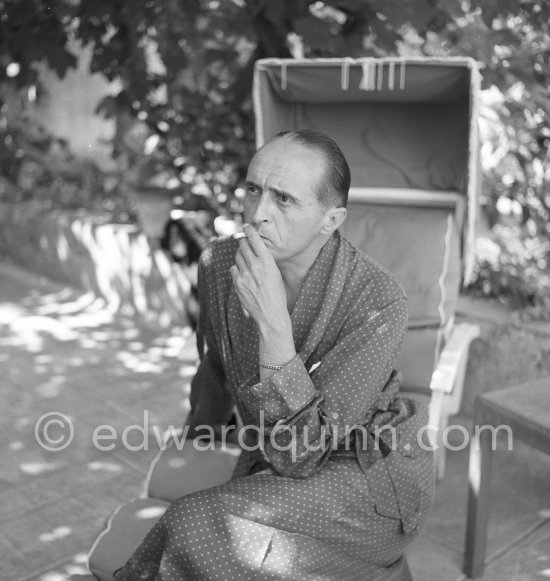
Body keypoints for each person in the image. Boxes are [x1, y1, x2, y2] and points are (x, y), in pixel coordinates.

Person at [114, 129, 434, 581]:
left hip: (367, 474)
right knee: (218, 541)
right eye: (253, 189)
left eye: (284, 200)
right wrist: (196, 439)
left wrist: (273, 327)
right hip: (273, 461)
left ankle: (370, 559)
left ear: (330, 219)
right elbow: (215, 367)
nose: (258, 213)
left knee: (195, 526)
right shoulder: (221, 263)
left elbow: (302, 455)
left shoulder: (377, 300)